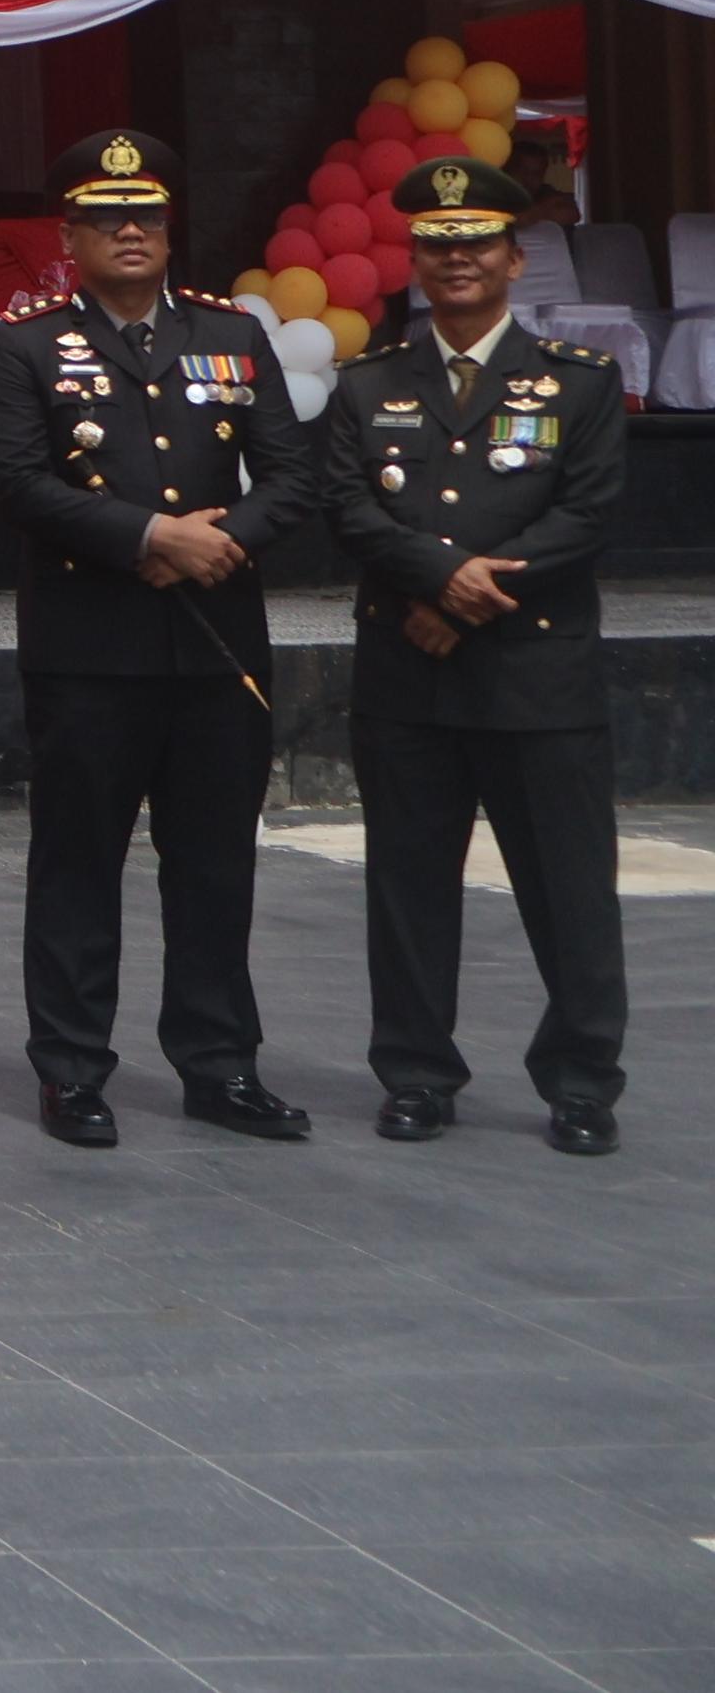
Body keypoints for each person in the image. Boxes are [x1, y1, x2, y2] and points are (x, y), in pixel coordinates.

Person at [0, 133, 321, 1150]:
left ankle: (219, 1064)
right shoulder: (26, 345)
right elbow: (16, 482)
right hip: (90, 649)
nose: (129, 231)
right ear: (68, 236)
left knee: (214, 866)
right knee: (77, 865)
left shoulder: (231, 332)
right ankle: (71, 1068)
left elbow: (292, 475)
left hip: (215, 645)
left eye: (146, 216)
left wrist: (220, 541)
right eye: (105, 217)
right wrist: (146, 536)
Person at [325, 157, 630, 1153]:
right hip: (407, 676)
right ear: (415, 260)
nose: (457, 260)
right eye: (437, 244)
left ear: (513, 257)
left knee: (569, 888)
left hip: (535, 676)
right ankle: (415, 1072)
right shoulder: (368, 383)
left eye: (477, 243)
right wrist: (438, 576)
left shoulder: (579, 381)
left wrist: (466, 600)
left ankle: (580, 1081)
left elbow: (586, 512)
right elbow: (347, 508)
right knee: (407, 887)